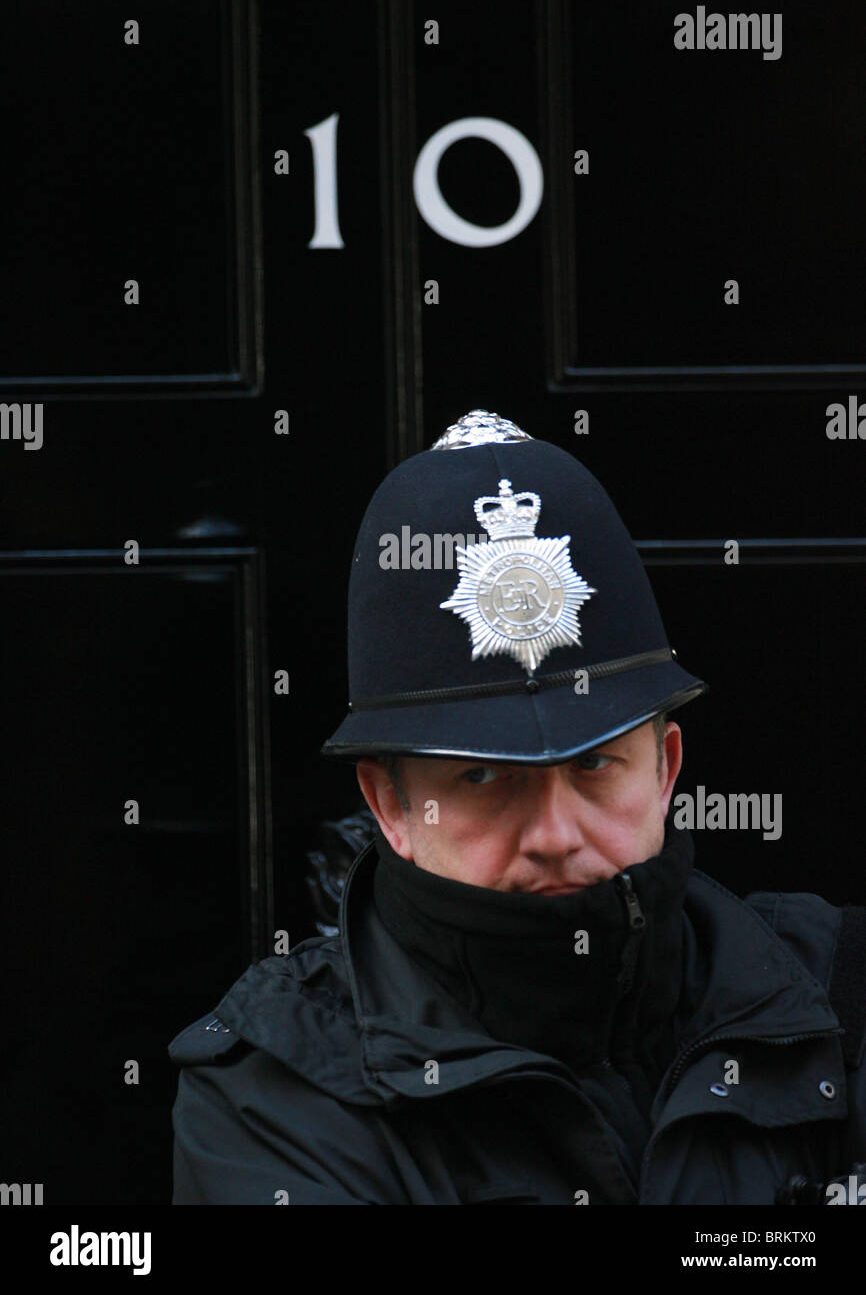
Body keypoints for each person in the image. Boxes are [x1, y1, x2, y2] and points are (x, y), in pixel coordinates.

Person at [169, 410, 866, 1205]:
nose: (556, 835)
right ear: (387, 804)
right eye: (484, 779)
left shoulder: (841, 1001)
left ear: (666, 769)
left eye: (596, 764)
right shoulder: (278, 1095)